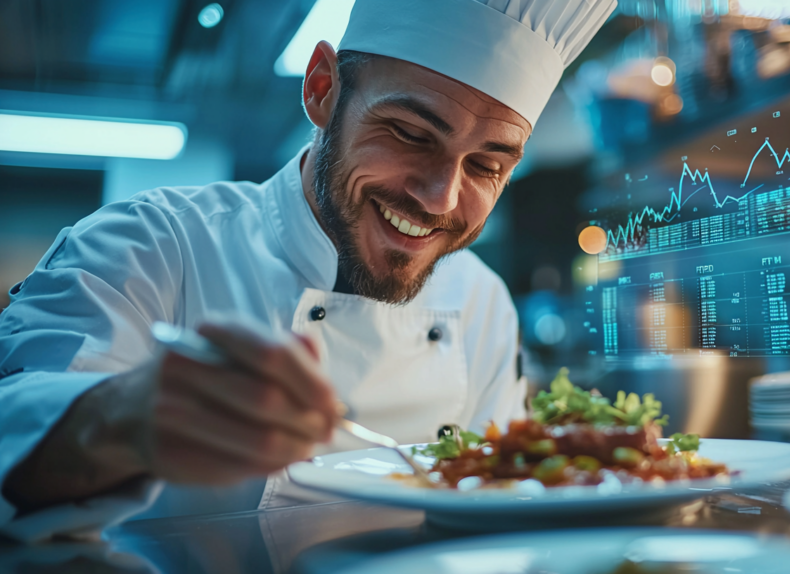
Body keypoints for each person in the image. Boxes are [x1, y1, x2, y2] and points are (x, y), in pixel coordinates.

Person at [0, 0, 617, 542]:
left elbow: (496, 514)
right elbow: (16, 425)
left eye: (485, 166)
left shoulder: (481, 301)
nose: (440, 198)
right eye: (409, 134)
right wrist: (122, 417)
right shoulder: (150, 244)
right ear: (322, 88)